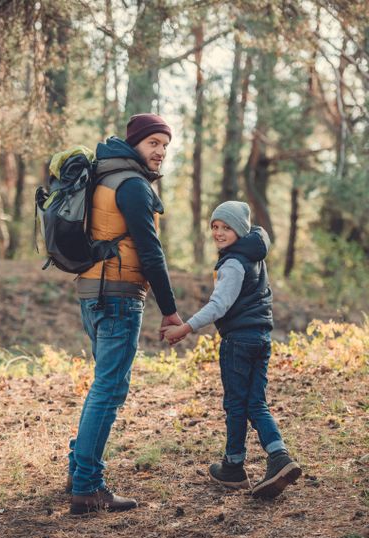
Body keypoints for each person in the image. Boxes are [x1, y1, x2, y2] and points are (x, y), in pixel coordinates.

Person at [68, 113, 182, 515]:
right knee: (109, 391)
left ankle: (77, 472)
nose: (160, 151)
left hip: (92, 291)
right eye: (153, 143)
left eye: (165, 145)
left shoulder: (104, 175)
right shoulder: (132, 185)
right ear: (135, 143)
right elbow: (151, 252)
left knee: (102, 387)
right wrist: (169, 311)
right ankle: (87, 486)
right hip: (118, 294)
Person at [162, 201, 302, 499]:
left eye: (226, 227)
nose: (219, 232)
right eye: (214, 226)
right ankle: (278, 455)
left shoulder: (234, 264)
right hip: (261, 337)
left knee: (237, 404)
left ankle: (234, 467)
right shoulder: (254, 258)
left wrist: (185, 328)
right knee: (255, 402)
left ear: (240, 230)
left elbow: (218, 305)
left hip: (238, 342)